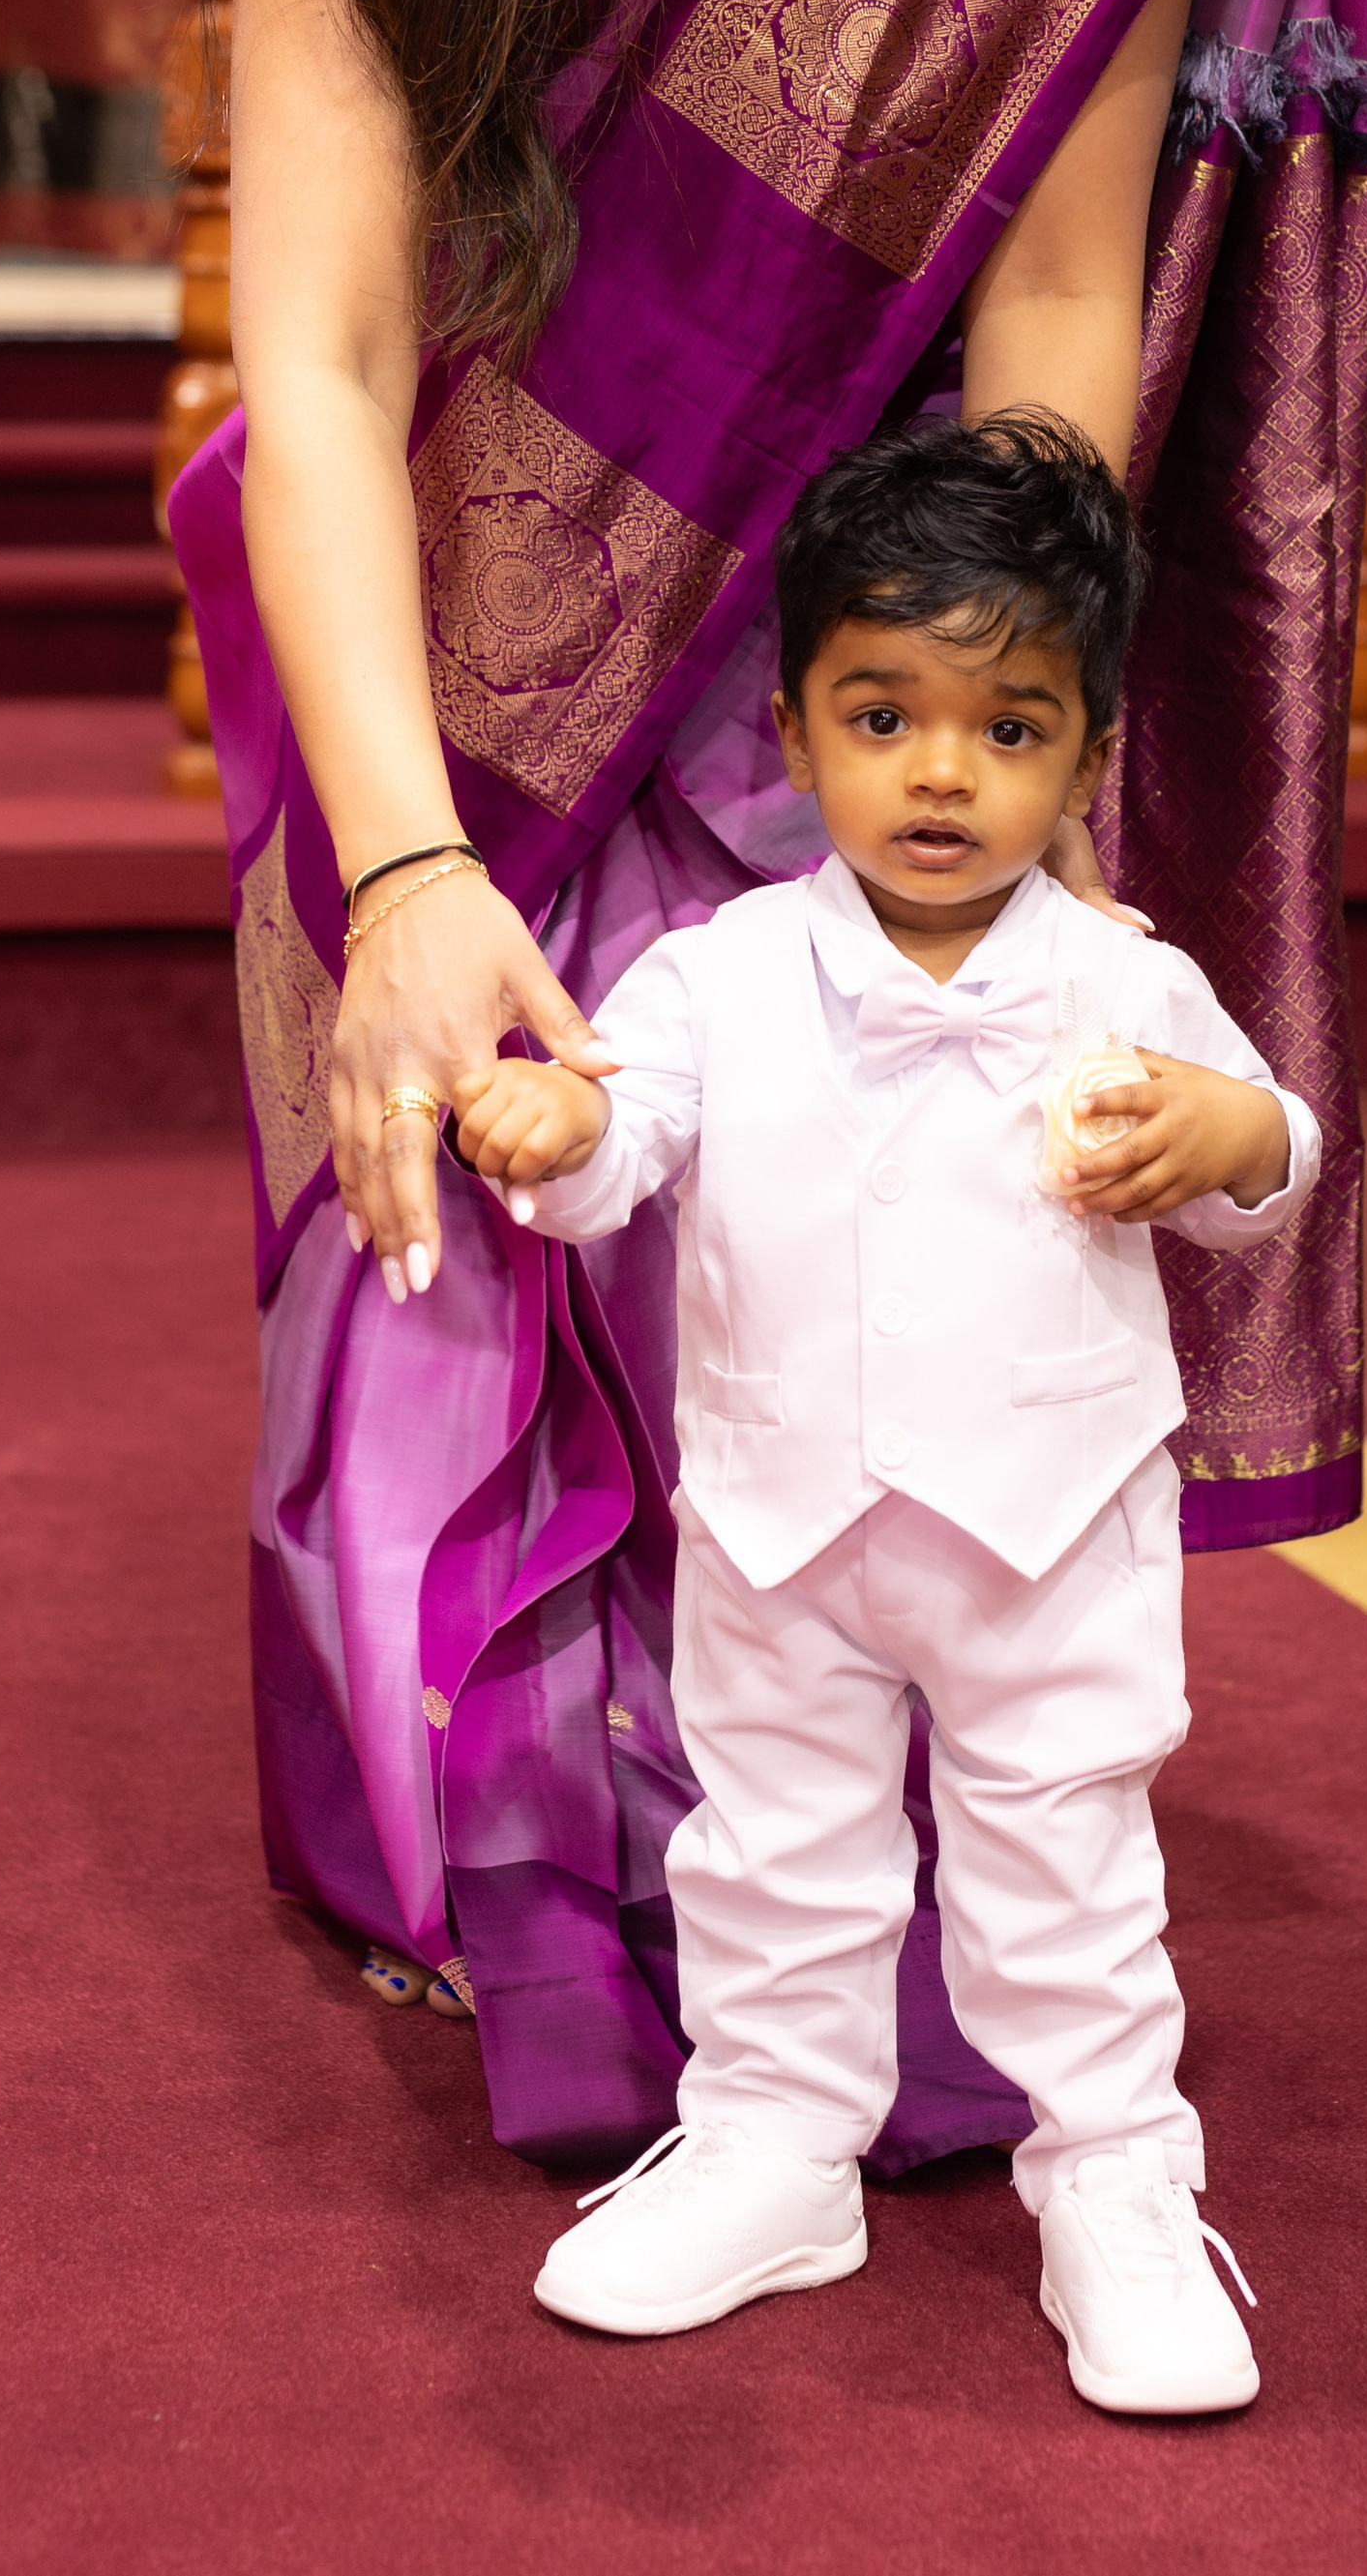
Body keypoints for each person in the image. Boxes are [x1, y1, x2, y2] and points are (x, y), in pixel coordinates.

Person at [167, 0, 1367, 2171]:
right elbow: (316, 354)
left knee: (826, 1286)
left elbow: (1058, 311)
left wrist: (1008, 743)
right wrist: (415, 853)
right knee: (468, 1246)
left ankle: (855, 1928)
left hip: (854, 660)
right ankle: (517, 1890)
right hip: (462, 620)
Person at [455, 416, 1318, 2412]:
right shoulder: (710, 972)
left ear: (1087, 756)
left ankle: (1111, 2167)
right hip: (782, 1517)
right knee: (773, 1848)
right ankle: (773, 2139)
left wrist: (1219, 1126)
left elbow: (1265, 1153)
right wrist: (551, 1116)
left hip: (1046, 1522)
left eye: (1009, 727)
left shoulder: (1128, 976)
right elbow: (611, 1145)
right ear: (790, 726)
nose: (941, 771)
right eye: (884, 712)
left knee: (1062, 1860)